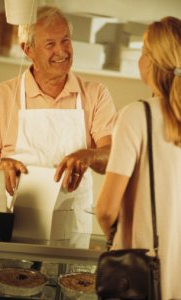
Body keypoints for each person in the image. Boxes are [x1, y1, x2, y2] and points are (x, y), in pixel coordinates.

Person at [0, 6, 116, 248]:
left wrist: (90, 154)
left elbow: (112, 157)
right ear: (27, 49)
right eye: (50, 44)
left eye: (65, 40)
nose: (62, 51)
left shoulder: (96, 94)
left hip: (74, 229)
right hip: (13, 228)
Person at [96, 16, 181, 300]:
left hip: (141, 277)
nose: (140, 59)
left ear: (154, 61)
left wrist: (117, 245)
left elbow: (106, 209)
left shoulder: (137, 115)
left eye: (144, 52)